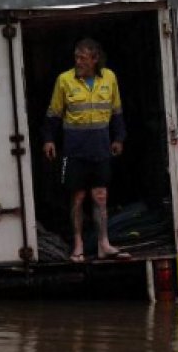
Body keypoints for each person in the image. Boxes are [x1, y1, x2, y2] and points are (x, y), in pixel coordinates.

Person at [42, 38, 130, 263]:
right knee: (78, 197)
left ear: (95, 59)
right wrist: (49, 140)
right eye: (76, 57)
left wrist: (119, 138)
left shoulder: (109, 77)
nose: (78, 61)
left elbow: (117, 111)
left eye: (82, 58)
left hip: (100, 147)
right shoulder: (64, 80)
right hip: (74, 148)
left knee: (100, 196)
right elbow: (53, 113)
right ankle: (78, 246)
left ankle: (104, 244)